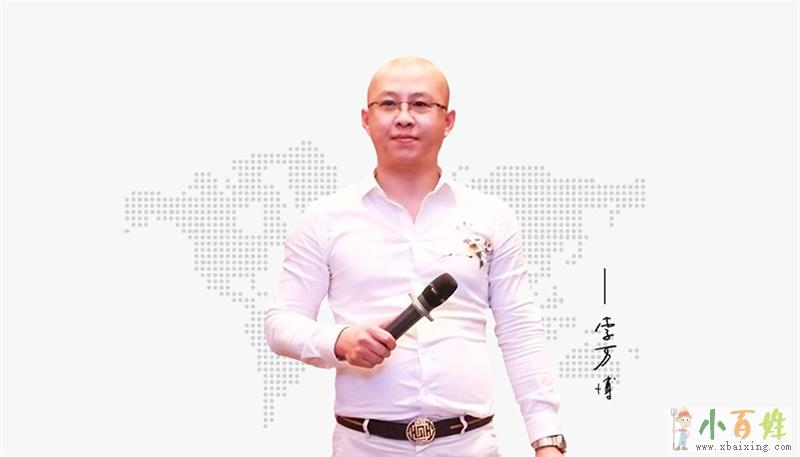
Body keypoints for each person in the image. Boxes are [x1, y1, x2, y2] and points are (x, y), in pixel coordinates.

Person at [264, 57, 566, 457]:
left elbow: (519, 329)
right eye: (389, 104)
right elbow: (280, 323)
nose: (404, 117)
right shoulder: (323, 219)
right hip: (363, 447)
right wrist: (339, 341)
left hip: (469, 445)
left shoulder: (490, 217)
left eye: (421, 104)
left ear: (448, 120)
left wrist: (547, 439)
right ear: (366, 119)